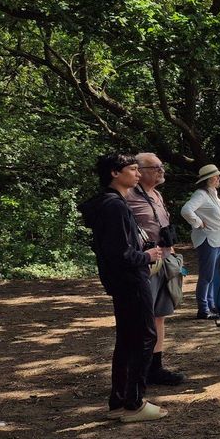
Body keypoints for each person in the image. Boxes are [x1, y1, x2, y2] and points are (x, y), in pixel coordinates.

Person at [78, 153, 166, 423]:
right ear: (115, 173)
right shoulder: (114, 206)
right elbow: (121, 254)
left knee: (127, 339)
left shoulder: (110, 203)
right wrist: (147, 257)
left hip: (121, 281)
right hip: (130, 280)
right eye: (132, 169)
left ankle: (119, 401)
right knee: (143, 337)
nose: (138, 174)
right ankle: (134, 403)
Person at [128, 152, 184, 387]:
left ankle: (155, 367)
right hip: (146, 264)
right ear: (140, 171)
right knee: (143, 318)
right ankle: (137, 369)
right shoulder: (128, 197)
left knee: (159, 315)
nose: (162, 170)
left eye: (162, 166)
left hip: (165, 260)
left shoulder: (157, 194)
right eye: (156, 167)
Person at [181, 163, 220, 320]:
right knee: (207, 275)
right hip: (207, 239)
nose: (219, 178)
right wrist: (198, 223)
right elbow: (186, 210)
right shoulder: (201, 194)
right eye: (216, 176)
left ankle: (211, 305)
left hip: (218, 238)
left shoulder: (212, 194)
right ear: (209, 179)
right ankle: (203, 308)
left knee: (213, 274)